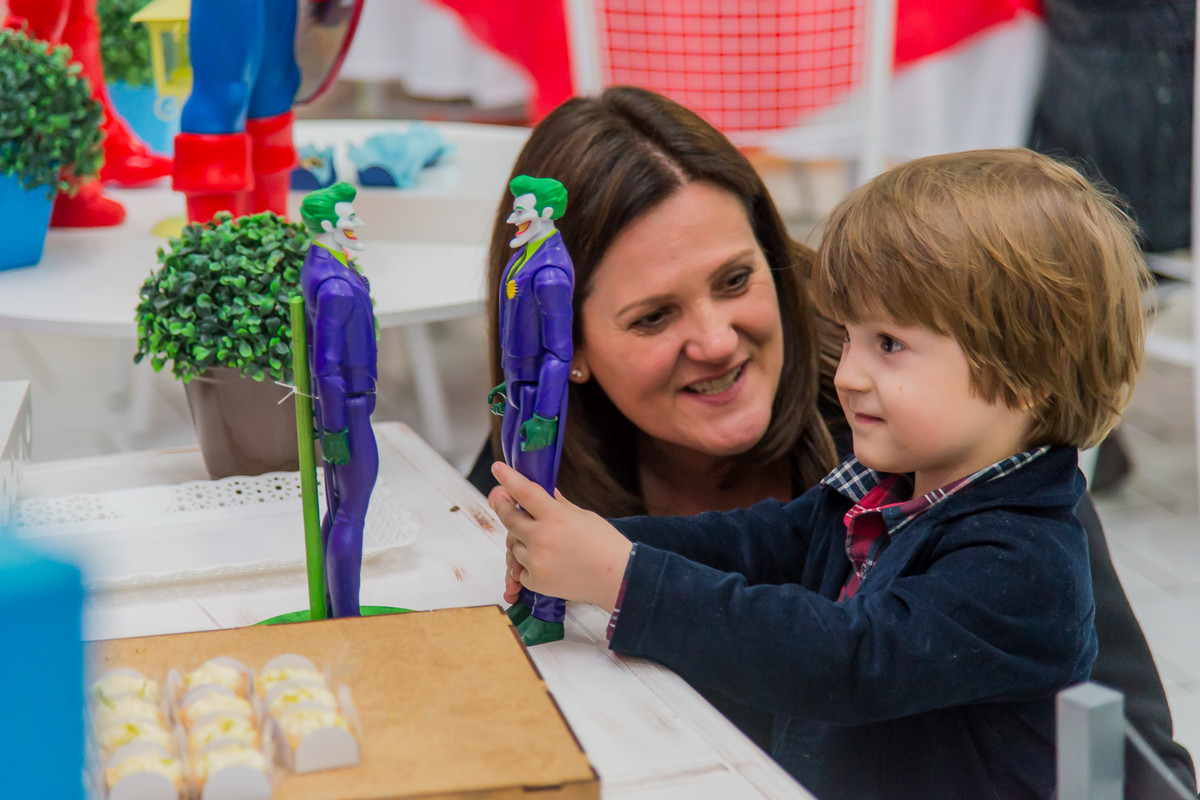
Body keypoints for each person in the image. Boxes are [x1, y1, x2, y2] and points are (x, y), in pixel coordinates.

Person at [467, 87, 1196, 793]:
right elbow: (757, 542)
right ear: (568, 346)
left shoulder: (1021, 552)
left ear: (1023, 372)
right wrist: (593, 542)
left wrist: (622, 576)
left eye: (889, 344)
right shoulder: (891, 485)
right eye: (654, 316)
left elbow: (848, 658)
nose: (847, 373)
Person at [488, 175, 575, 646]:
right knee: (521, 498)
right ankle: (527, 599)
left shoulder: (550, 272)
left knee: (539, 505)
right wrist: (510, 380)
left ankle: (549, 611)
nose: (513, 218)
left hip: (540, 395)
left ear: (544, 213)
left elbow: (559, 353)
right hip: (520, 386)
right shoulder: (526, 257)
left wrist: (544, 413)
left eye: (521, 210)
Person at [299, 181, 377, 618]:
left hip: (344, 402)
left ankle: (336, 608)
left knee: (341, 508)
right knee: (352, 513)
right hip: (347, 405)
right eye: (349, 217)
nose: (356, 223)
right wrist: (334, 429)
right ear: (328, 224)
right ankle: (346, 615)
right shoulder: (335, 286)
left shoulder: (328, 267)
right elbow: (325, 367)